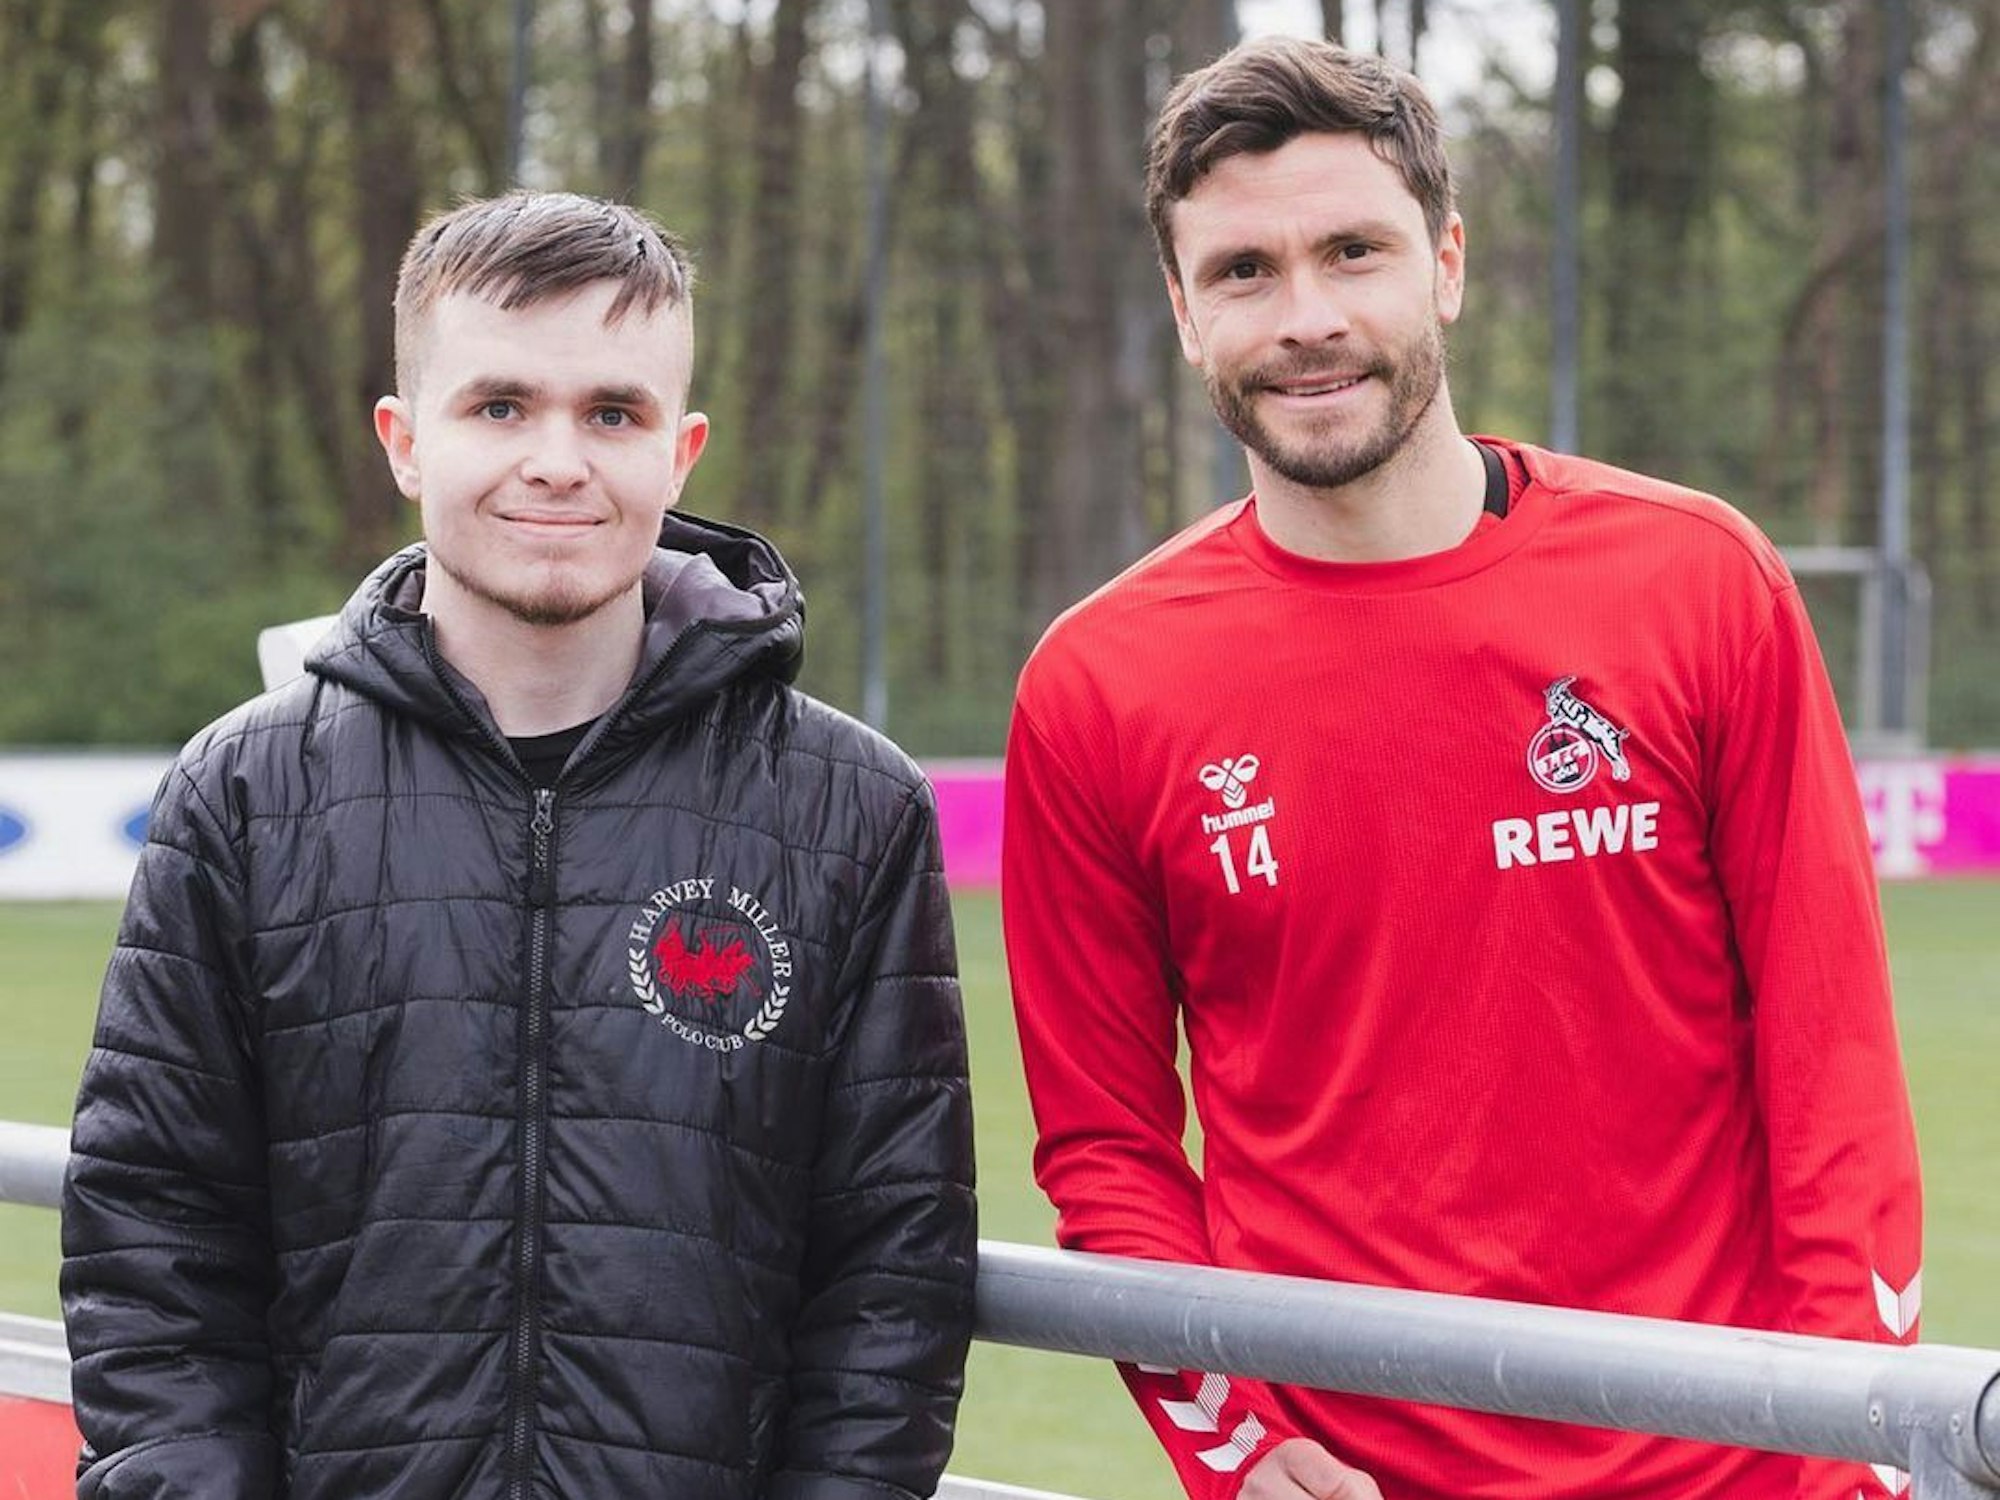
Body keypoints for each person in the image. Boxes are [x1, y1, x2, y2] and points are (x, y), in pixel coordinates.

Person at [1002, 37, 1921, 1500]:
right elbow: (1108, 1145)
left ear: (1445, 263)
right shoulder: (1099, 687)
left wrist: (1849, 1457)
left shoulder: (1699, 585)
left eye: (1352, 251)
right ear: (1182, 314)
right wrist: (1239, 1450)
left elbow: (1834, 1081)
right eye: (1243, 272)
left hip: (1731, 1478)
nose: (1307, 317)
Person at [62, 191, 976, 1499]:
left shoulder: (852, 806)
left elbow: (892, 1283)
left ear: (683, 451)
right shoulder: (245, 792)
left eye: (614, 413)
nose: (559, 459)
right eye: (499, 406)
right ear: (404, 441)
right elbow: (153, 1242)